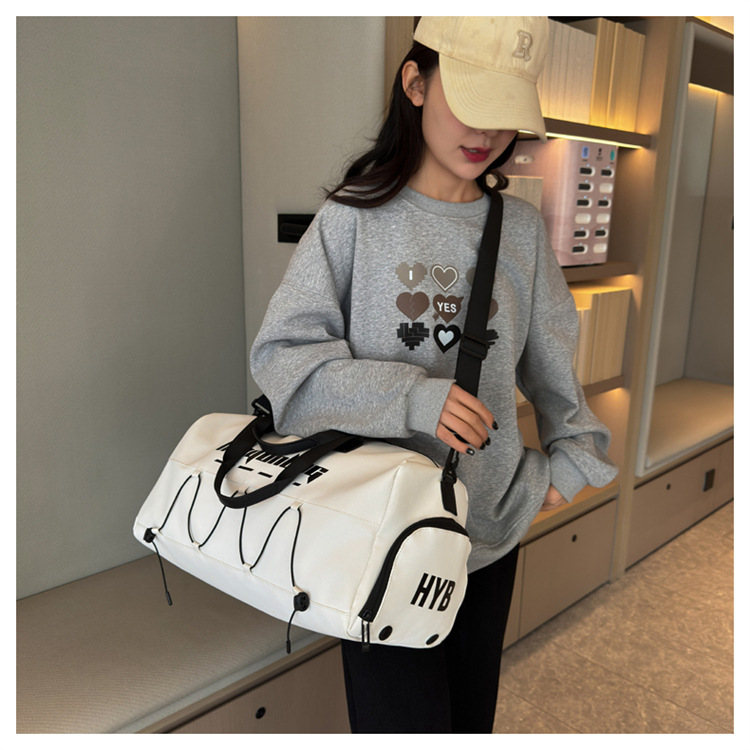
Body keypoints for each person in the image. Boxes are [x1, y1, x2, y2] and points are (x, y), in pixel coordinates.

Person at [250, 16, 618, 734]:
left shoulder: (519, 231)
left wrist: (571, 462)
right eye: (472, 102)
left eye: (506, 112)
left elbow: (553, 364)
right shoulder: (352, 218)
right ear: (415, 84)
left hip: (487, 532)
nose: (488, 132)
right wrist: (415, 399)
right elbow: (282, 358)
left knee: (469, 721)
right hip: (377, 534)